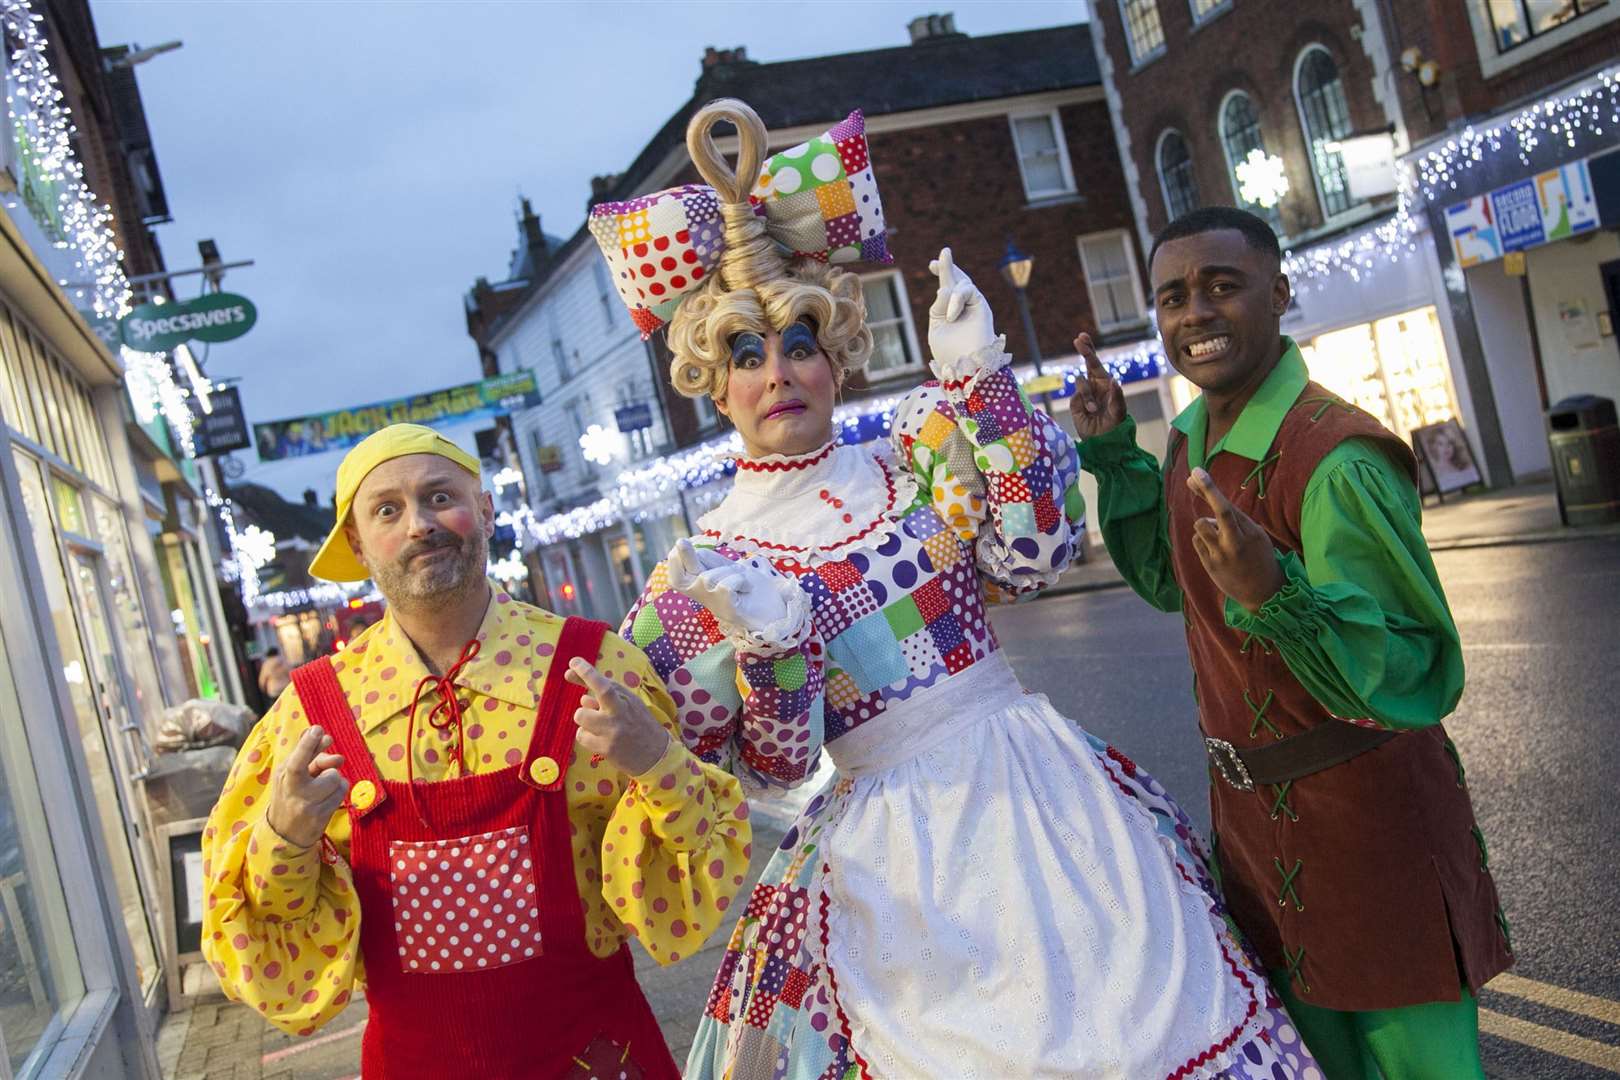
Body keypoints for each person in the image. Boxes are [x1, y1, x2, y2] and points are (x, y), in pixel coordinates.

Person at [593, 98, 1320, 1079]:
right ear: (710, 382)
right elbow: (772, 767)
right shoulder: (704, 573)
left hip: (1040, 793)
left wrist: (980, 379)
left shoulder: (918, 455)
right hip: (896, 861)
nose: (779, 373)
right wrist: (771, 654)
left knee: (1144, 1020)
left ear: (835, 352)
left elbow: (1034, 557)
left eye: (799, 341)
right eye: (746, 353)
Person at [1072, 206, 1512, 1079]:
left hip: (1371, 826)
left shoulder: (1336, 458)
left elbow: (1416, 665)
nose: (1193, 312)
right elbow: (1171, 580)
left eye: (1221, 286)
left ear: (1279, 292)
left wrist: (1276, 592)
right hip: (1255, 840)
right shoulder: (1194, 436)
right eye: (1171, 296)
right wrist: (1114, 451)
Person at [200, 423, 752, 1079]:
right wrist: (282, 837)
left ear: (485, 510)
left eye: (440, 498)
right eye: (387, 510)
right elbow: (259, 927)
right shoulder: (310, 715)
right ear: (356, 541)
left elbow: (699, 876)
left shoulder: (595, 667)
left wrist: (658, 763)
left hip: (598, 1059)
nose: (419, 525)